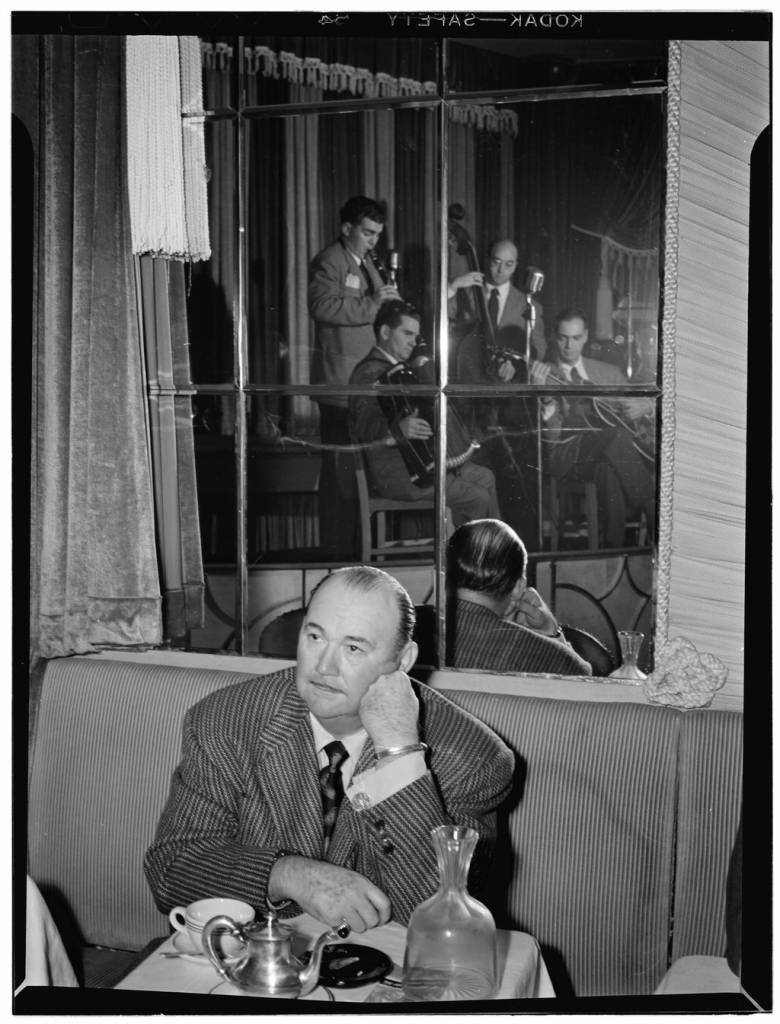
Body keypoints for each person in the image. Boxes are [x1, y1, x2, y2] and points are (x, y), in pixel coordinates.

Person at [144, 566, 514, 931]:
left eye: (353, 647)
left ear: (402, 661)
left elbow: (439, 915)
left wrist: (399, 754)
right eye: (315, 637)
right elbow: (172, 869)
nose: (324, 666)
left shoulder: (472, 757)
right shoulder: (226, 721)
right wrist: (288, 874)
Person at [349, 300, 501, 525]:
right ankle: (470, 556)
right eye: (407, 334)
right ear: (384, 332)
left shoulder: (402, 370)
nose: (413, 342)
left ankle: (493, 551)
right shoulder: (368, 373)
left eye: (415, 336)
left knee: (485, 478)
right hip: (397, 473)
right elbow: (362, 425)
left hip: (417, 466)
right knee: (476, 498)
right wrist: (397, 429)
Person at [308, 196, 401, 558]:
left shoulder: (366, 263)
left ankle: (354, 550)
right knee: (340, 474)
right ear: (347, 229)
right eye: (367, 233)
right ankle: (337, 553)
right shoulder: (330, 260)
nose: (373, 241)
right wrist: (374, 304)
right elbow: (320, 306)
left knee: (357, 474)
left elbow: (377, 310)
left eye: (377, 234)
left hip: (363, 385)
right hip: (339, 386)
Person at [530, 308, 655, 548]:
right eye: (563, 338)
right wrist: (545, 399)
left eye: (576, 338)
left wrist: (644, 405)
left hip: (609, 454)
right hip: (570, 456)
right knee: (615, 436)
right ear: (554, 337)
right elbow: (553, 439)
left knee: (608, 466)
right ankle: (651, 508)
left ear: (586, 336)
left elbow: (638, 407)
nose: (569, 346)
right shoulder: (544, 375)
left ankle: (612, 548)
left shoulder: (607, 372)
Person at [447, 519, 592, 676]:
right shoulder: (543, 654)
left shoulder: (420, 634)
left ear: (442, 578)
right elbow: (584, 679)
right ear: (517, 588)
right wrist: (551, 632)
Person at [449, 238, 546, 383]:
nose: (501, 270)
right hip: (468, 376)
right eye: (496, 262)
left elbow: (539, 349)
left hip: (508, 385)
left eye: (509, 264)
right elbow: (441, 317)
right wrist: (453, 287)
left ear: (515, 266)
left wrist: (516, 365)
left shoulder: (529, 305)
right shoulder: (466, 292)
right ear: (488, 260)